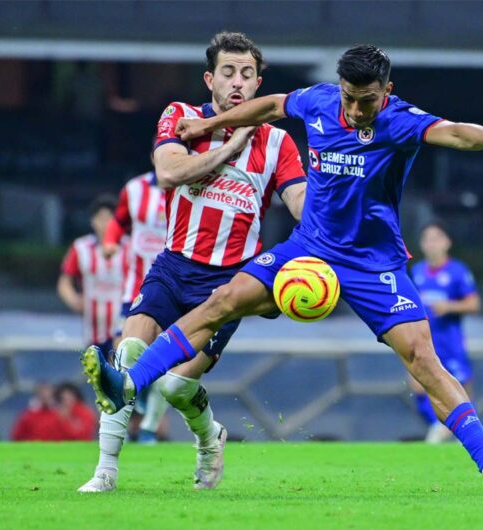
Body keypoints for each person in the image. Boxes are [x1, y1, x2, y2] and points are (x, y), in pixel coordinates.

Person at [83, 44, 483, 496]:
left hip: (373, 263)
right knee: (222, 301)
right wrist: (210, 123)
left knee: (423, 358)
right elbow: (273, 105)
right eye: (349, 98)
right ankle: (129, 384)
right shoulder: (321, 100)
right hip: (309, 248)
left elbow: (457, 133)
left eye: (367, 100)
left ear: (387, 91)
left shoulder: (400, 120)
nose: (357, 110)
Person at [77, 32, 306, 493]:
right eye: (228, 72)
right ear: (210, 79)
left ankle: (209, 439)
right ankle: (105, 472)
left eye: (246, 74)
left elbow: (301, 204)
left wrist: (338, 224)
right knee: (126, 356)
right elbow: (168, 172)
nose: (237, 82)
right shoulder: (180, 117)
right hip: (174, 264)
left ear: (259, 83)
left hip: (228, 283)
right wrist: (229, 146)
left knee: (175, 389)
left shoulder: (278, 143)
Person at [104, 168, 169, 444]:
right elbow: (119, 221)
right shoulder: (134, 189)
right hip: (136, 287)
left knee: (168, 362)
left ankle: (148, 429)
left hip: (172, 286)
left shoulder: (193, 183)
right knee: (123, 349)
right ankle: (131, 403)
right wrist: (110, 241)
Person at [408, 222, 480, 443]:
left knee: (459, 390)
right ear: (421, 244)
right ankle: (438, 429)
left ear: (447, 242)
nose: (432, 243)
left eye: (437, 238)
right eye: (428, 239)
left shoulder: (458, 271)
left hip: (451, 343)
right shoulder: (417, 272)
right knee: (418, 387)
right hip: (424, 341)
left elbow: (473, 304)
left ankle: (463, 433)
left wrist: (449, 307)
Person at [57, 194, 128, 354]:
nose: (105, 224)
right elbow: (64, 282)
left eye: (109, 218)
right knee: (96, 374)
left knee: (120, 373)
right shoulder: (81, 248)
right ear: (92, 221)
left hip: (123, 329)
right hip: (92, 331)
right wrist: (74, 300)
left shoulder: (129, 248)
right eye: (100, 218)